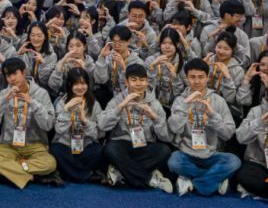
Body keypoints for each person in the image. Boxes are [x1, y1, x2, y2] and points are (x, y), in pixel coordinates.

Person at [168, 58, 240, 196]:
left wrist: (212, 115)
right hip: (186, 154)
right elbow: (175, 129)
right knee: (173, 161)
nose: (196, 81)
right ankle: (213, 180)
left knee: (234, 161)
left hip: (212, 154)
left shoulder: (218, 101)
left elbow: (228, 134)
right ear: (186, 78)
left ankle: (191, 180)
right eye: (192, 77)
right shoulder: (180, 101)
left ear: (207, 78)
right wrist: (185, 105)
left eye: (201, 77)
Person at [0, 58, 60, 189]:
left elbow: (48, 125)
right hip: (9, 145)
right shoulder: (4, 94)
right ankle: (33, 177)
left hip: (34, 145)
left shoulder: (41, 94)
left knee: (50, 163)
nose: (12, 79)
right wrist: (3, 101)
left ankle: (9, 172)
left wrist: (32, 102)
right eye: (8, 75)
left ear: (24, 73)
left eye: (15, 74)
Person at [98, 64, 173, 192]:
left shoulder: (154, 104)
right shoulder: (117, 100)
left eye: (142, 80)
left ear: (147, 82)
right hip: (122, 144)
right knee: (110, 149)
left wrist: (154, 117)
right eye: (134, 80)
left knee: (164, 151)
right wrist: (120, 107)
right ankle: (148, 179)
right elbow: (102, 125)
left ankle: (122, 173)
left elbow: (166, 137)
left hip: (145, 145)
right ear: (126, 82)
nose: (138, 84)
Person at [50, 67, 106, 183]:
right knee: (56, 150)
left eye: (83, 83)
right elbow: (58, 130)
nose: (80, 87)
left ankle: (70, 172)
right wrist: (66, 110)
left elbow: (100, 134)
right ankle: (87, 175)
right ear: (69, 85)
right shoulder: (61, 102)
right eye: (76, 84)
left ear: (88, 84)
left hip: (85, 146)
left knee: (99, 150)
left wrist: (85, 120)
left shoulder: (94, 104)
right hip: (66, 146)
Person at [199, 0, 251, 67]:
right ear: (227, 15)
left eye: (242, 16)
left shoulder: (242, 35)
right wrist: (213, 38)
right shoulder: (208, 30)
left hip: (234, 70)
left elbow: (246, 61)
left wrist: (232, 41)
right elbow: (205, 54)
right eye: (237, 16)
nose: (241, 19)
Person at [97, 25, 145, 98]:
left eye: (121, 41)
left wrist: (123, 68)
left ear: (128, 42)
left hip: (129, 96)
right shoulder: (109, 57)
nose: (117, 45)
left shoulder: (138, 62)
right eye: (114, 41)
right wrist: (101, 58)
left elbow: (135, 88)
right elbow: (101, 80)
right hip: (111, 93)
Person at [145, 28, 186, 109]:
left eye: (171, 43)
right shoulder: (150, 60)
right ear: (160, 44)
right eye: (164, 43)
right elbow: (146, 89)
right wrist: (152, 69)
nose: (167, 47)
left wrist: (174, 77)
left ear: (177, 44)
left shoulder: (183, 64)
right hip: (152, 106)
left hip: (174, 107)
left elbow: (181, 94)